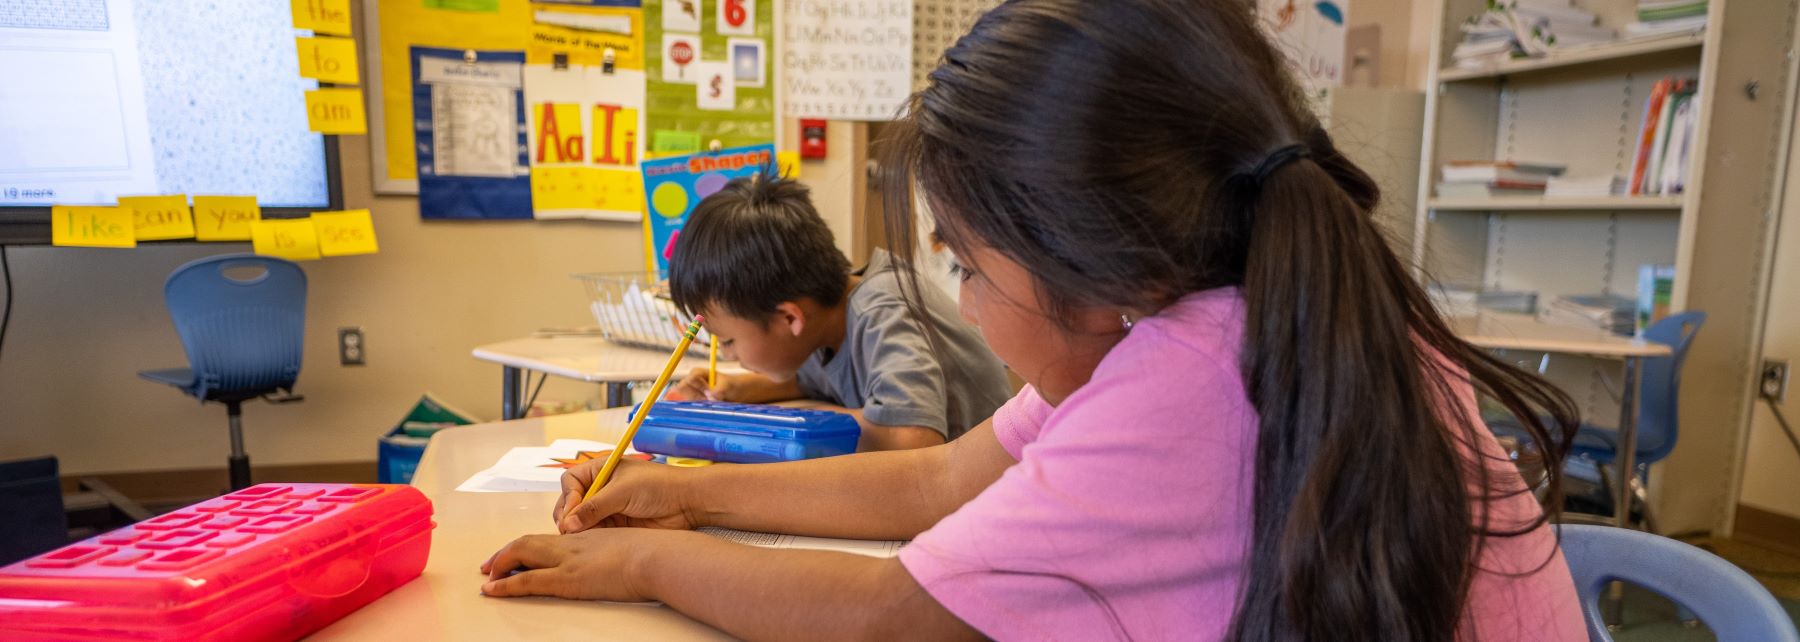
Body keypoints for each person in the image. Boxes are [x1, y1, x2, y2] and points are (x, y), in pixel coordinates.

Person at [480, 1, 1586, 639]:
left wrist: (652, 567)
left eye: (964, 263)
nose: (961, 297)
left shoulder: (1195, 375)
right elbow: (936, 481)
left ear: (1096, 265)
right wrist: (679, 491)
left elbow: (888, 621)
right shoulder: (1248, 308)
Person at [660, 173, 1012, 451]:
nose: (726, 354)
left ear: (789, 318)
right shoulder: (823, 316)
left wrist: (783, 421)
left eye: (728, 340)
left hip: (983, 488)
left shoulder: (883, 308)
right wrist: (735, 390)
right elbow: (810, 378)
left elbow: (910, 438)